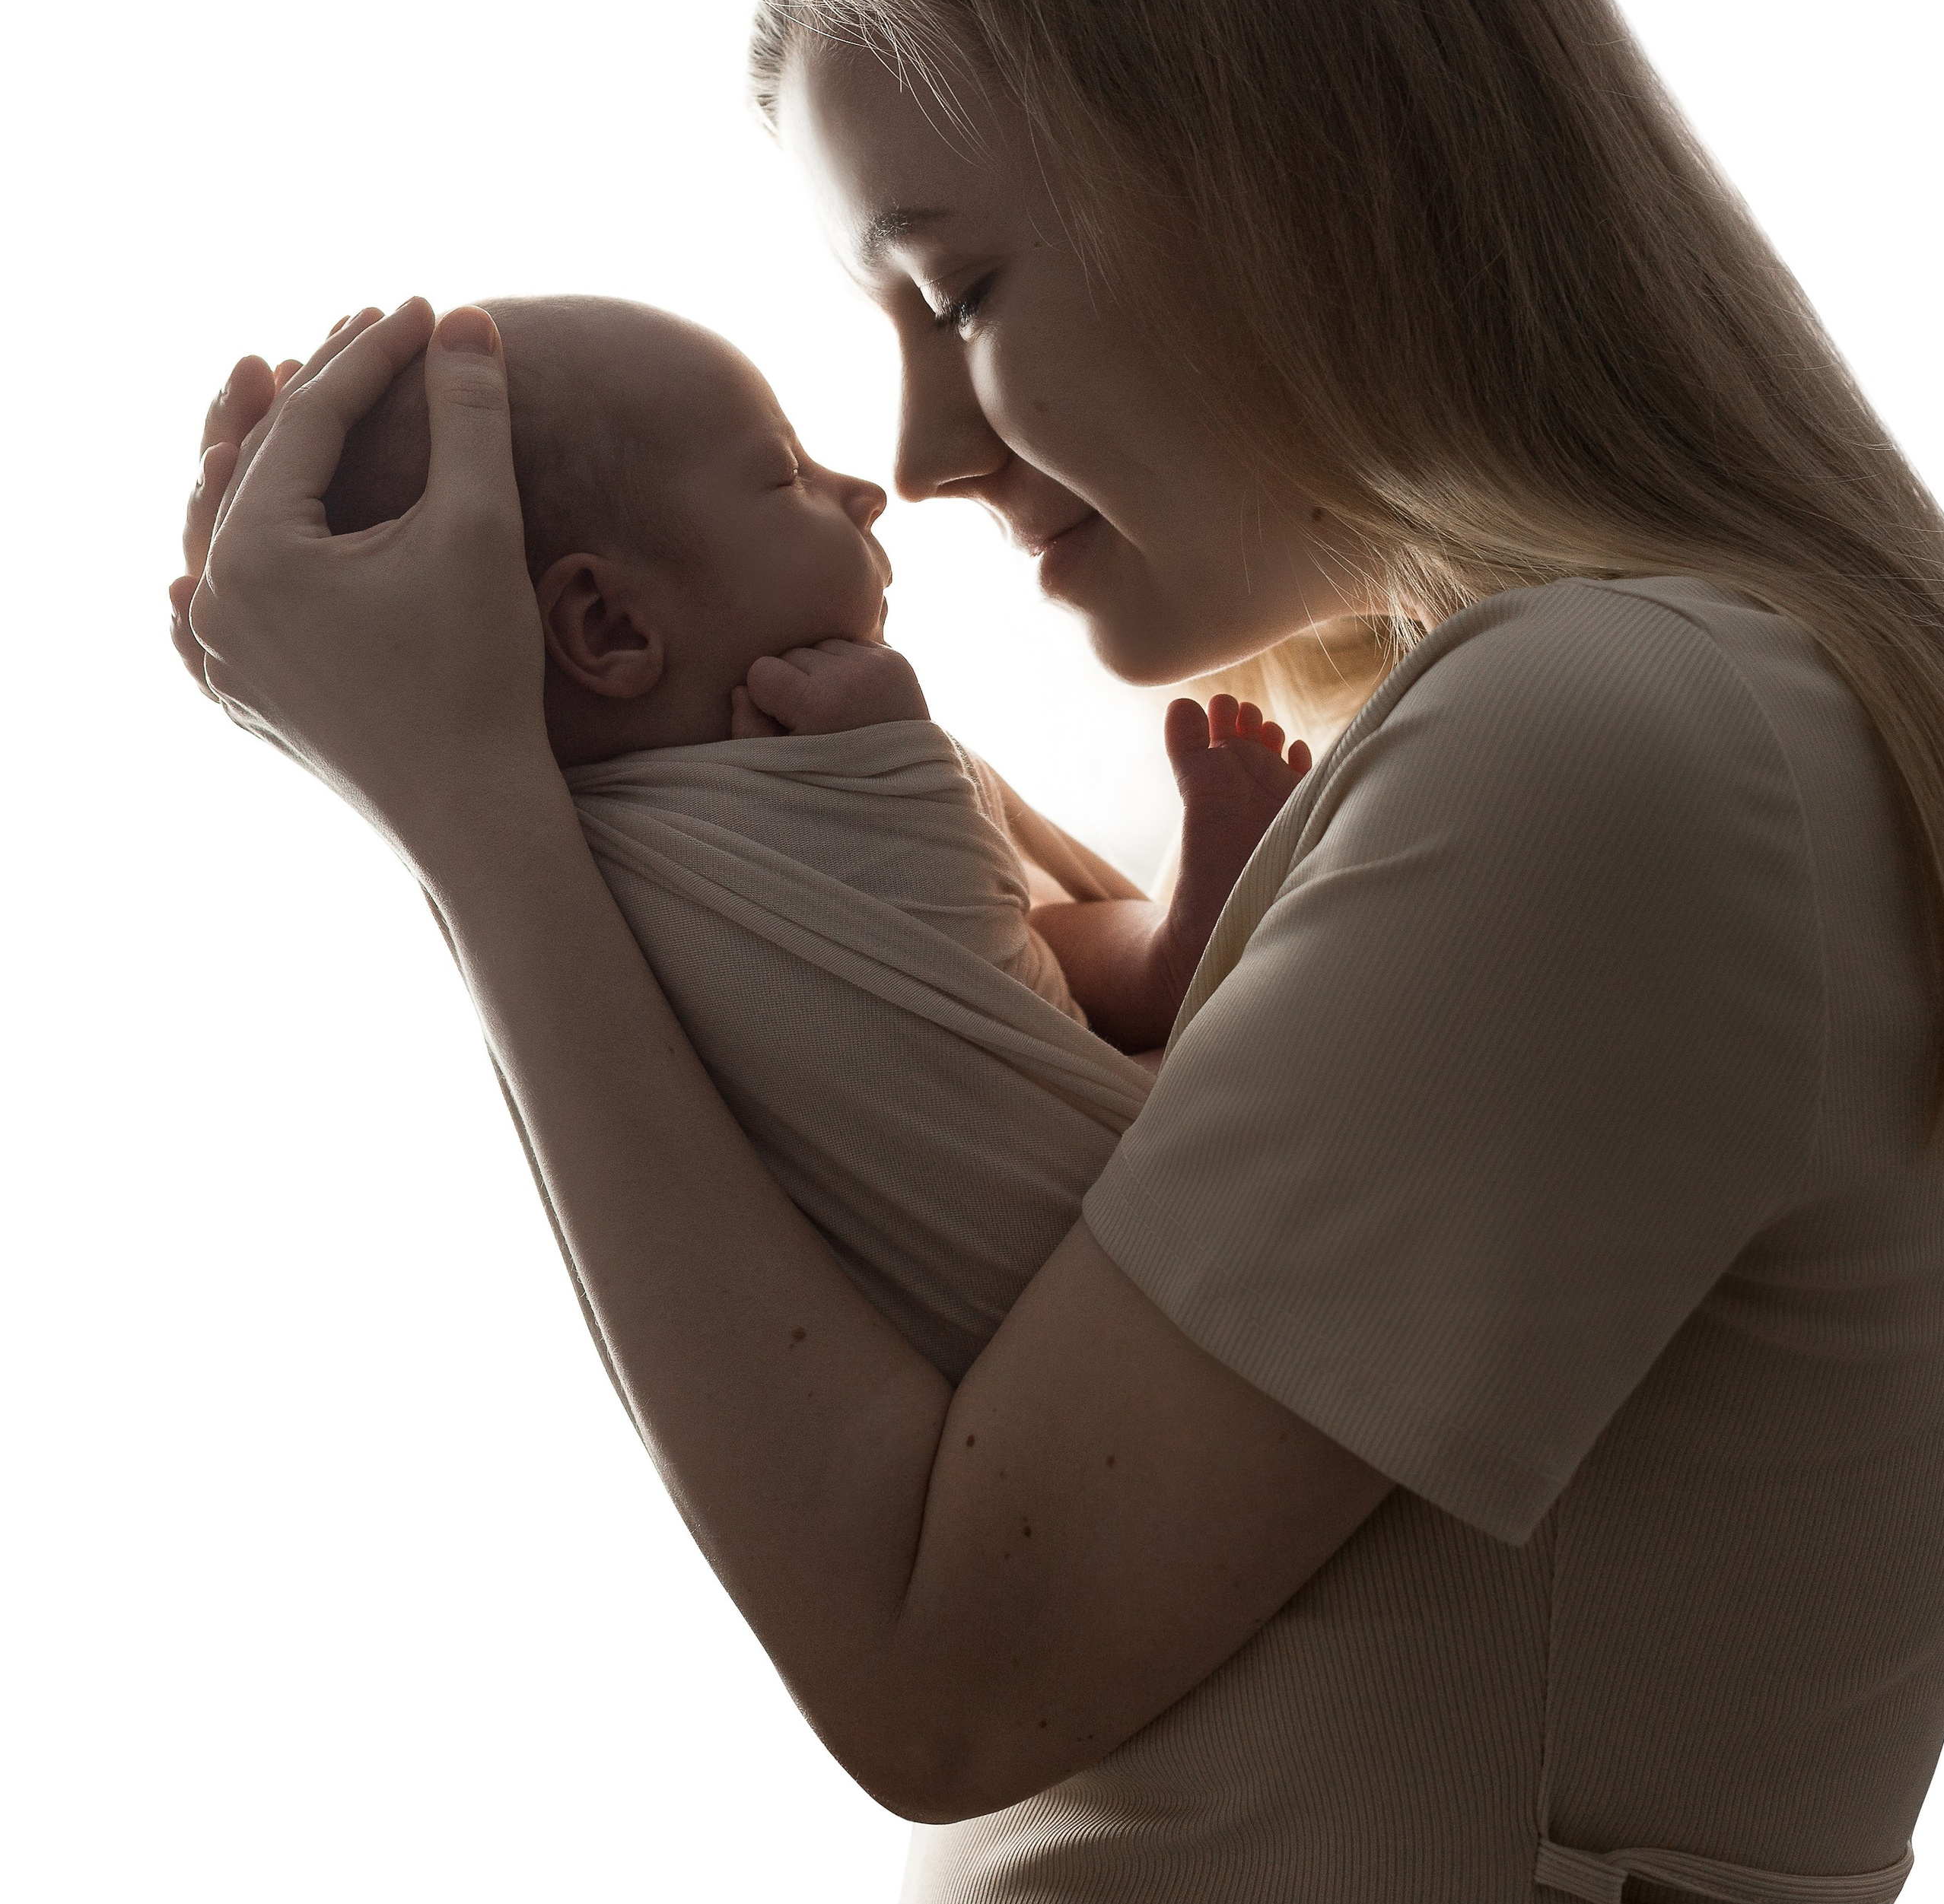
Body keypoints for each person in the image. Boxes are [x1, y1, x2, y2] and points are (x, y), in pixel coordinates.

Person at [172, 0, 1944, 1904]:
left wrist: (481, 814)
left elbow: (948, 1659)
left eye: (961, 289)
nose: (913, 451)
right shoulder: (1569, 744)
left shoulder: (1614, 745)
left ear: (1297, 167)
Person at [321, 288, 1305, 1377]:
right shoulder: (746, 808)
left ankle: (1169, 951)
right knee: (1226, 1058)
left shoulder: (540, 883)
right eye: (787, 473)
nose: (867, 492)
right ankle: (1176, 954)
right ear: (608, 625)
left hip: (965, 1358)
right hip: (1102, 1294)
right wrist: (889, 763)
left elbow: (981, 970)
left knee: (1028, 942)